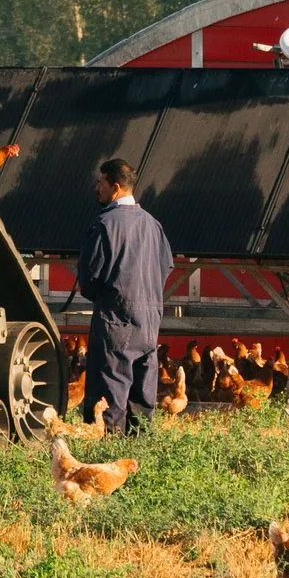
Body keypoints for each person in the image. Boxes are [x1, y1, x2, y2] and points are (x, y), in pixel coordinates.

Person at [74, 155, 172, 437]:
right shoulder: (154, 225)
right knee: (142, 396)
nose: (97, 188)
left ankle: (108, 459)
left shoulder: (105, 225)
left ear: (115, 187)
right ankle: (138, 460)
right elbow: (166, 267)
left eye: (101, 182)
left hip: (116, 320)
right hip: (150, 320)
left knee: (110, 396)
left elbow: (90, 280)